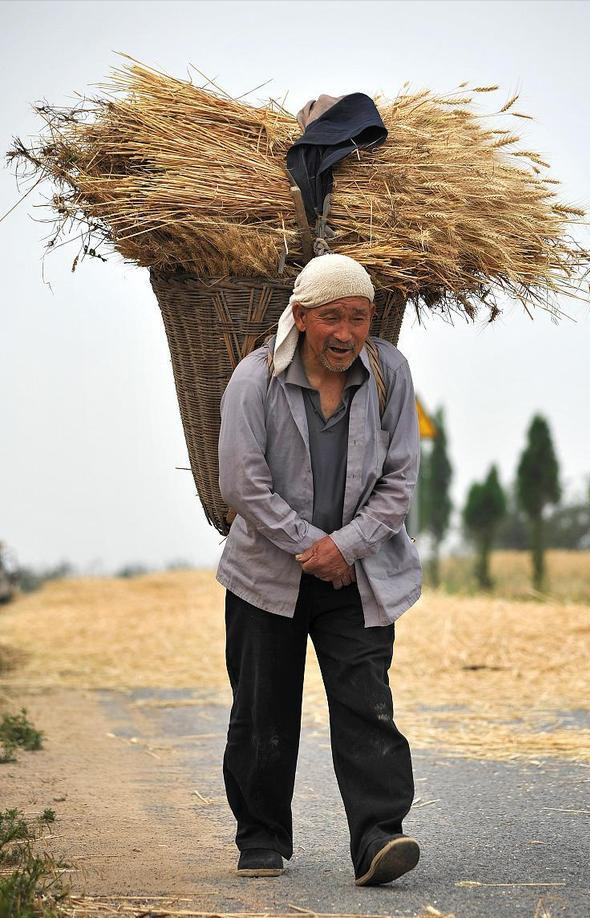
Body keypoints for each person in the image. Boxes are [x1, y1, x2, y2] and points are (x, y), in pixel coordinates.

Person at [215, 253, 422, 886]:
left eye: (358, 318)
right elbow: (242, 484)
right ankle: (260, 836)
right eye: (331, 317)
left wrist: (346, 548)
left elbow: (400, 479)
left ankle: (379, 835)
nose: (345, 333)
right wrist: (311, 547)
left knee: (366, 703)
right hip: (267, 576)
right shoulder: (256, 380)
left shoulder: (389, 373)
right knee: (262, 707)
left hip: (356, 576)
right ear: (300, 318)